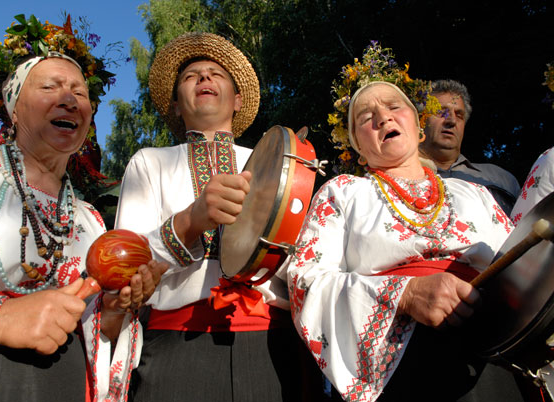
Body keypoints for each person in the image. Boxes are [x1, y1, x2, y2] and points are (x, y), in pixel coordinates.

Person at [0, 14, 165, 402]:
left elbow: (98, 331)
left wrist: (118, 308)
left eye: (80, 93)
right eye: (49, 87)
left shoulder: (88, 219)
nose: (68, 98)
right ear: (12, 110)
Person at [287, 81, 525, 401]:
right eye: (365, 117)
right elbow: (305, 281)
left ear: (418, 128)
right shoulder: (341, 194)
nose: (383, 118)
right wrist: (406, 294)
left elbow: (522, 271)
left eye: (393, 107)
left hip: (491, 350)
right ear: (358, 149)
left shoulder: (476, 195)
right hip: (400, 366)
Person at [115, 32, 322, 401]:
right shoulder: (149, 162)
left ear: (238, 100)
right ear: (177, 103)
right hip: (175, 346)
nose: (204, 79)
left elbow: (308, 258)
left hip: (271, 345)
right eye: (191, 76)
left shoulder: (277, 161)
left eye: (215, 73)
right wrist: (192, 219)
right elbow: (125, 265)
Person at [419, 79, 520, 216]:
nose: (451, 121)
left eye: (459, 115)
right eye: (440, 112)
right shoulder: (399, 177)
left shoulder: (501, 179)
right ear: (420, 120)